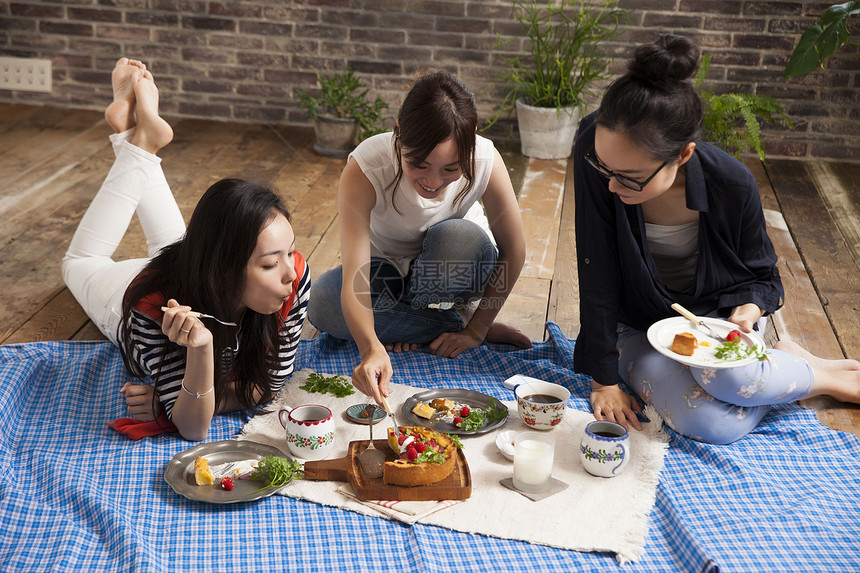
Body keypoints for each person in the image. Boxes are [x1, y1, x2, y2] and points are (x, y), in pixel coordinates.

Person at [572, 34, 860, 444]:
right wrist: (603, 381)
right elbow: (595, 265)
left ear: (683, 156)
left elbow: (763, 279)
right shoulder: (595, 148)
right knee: (713, 424)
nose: (612, 186)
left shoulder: (732, 184)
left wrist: (747, 309)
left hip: (714, 326)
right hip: (633, 328)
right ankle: (806, 376)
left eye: (630, 179)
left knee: (734, 380)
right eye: (605, 170)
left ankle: (803, 371)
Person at [62, 59, 310, 442]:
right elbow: (194, 427)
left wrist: (172, 403)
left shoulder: (291, 276)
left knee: (182, 244)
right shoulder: (152, 308)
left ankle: (133, 134)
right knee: (79, 262)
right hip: (133, 288)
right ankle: (138, 140)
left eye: (288, 252)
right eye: (268, 263)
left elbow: (270, 386)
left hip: (193, 270)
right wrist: (201, 348)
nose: (290, 273)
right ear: (226, 268)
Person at [307, 71, 531, 405]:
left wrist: (478, 331)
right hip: (388, 274)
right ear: (398, 131)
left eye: (451, 169)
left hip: (456, 267)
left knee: (456, 238)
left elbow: (515, 249)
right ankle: (447, 321)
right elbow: (356, 272)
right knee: (323, 302)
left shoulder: (486, 159)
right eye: (419, 164)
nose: (433, 181)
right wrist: (371, 348)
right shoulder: (367, 166)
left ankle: (418, 323)